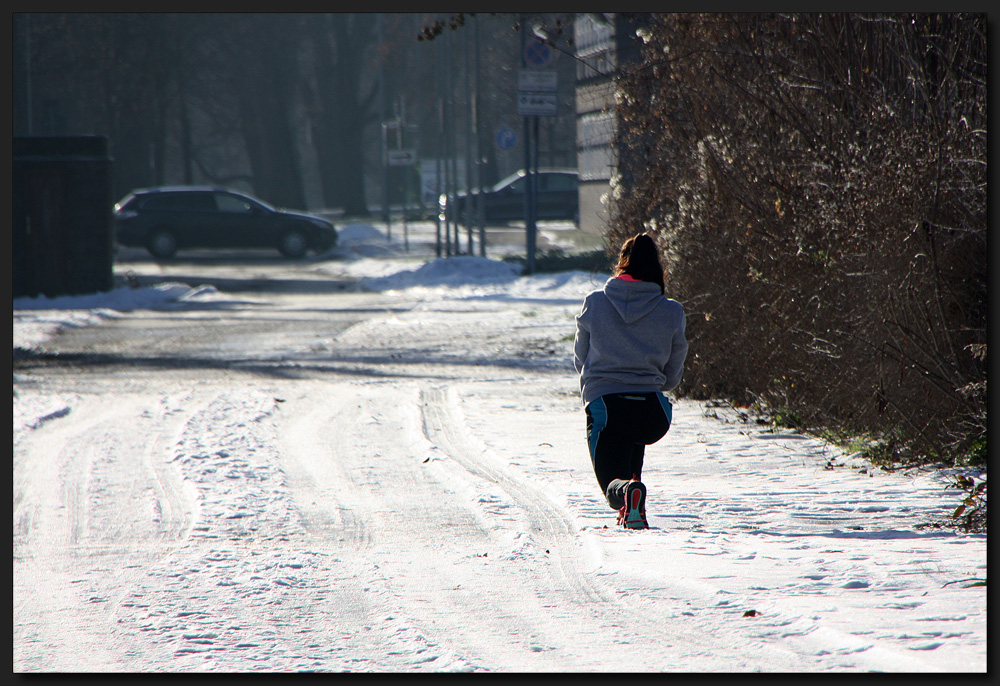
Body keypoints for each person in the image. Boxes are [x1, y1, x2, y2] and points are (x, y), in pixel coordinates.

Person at [573, 233, 688, 529]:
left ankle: (625, 496)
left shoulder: (595, 303)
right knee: (633, 433)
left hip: (606, 403)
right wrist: (655, 384)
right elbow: (675, 368)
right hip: (652, 412)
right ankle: (633, 509)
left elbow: (579, 357)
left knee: (612, 482)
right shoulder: (672, 311)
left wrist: (595, 381)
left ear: (622, 263)